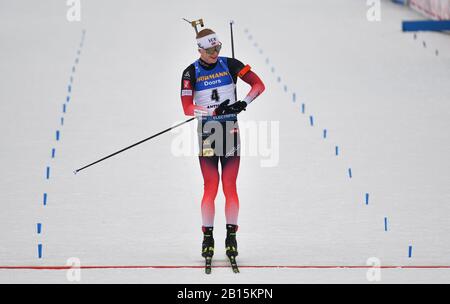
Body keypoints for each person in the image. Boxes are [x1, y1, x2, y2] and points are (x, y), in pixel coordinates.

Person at [180, 28, 265, 268]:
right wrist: (213, 112)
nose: (215, 53)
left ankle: (231, 237)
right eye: (209, 51)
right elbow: (187, 108)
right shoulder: (190, 72)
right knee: (211, 187)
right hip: (208, 132)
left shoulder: (230, 64)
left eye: (217, 48)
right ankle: (207, 237)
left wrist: (241, 104)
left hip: (230, 131)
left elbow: (259, 85)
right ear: (199, 50)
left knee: (229, 186)